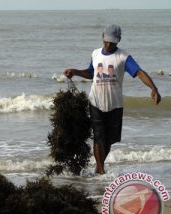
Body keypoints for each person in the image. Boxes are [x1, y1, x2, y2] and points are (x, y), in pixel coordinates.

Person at [63, 24, 161, 175]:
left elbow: (139, 72)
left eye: (112, 42)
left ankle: (98, 167)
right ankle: (101, 171)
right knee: (98, 136)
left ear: (118, 41)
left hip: (115, 104)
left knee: (108, 140)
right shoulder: (95, 54)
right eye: (106, 41)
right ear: (102, 37)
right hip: (95, 101)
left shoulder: (123, 57)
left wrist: (153, 88)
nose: (108, 45)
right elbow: (91, 73)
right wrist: (75, 72)